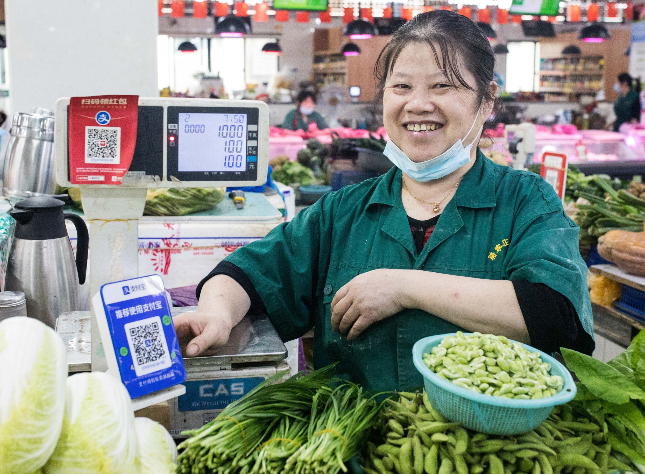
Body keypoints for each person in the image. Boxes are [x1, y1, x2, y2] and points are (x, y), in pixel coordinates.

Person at [175, 11, 594, 392]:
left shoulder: (524, 200)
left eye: (442, 86)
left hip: (483, 448)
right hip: (353, 447)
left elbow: (557, 317)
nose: (417, 104)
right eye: (401, 87)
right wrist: (216, 314)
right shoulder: (343, 212)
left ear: (486, 100)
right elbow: (247, 273)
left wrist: (404, 287)